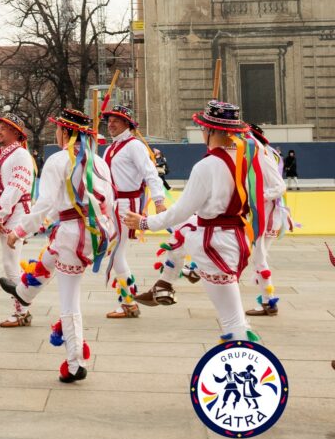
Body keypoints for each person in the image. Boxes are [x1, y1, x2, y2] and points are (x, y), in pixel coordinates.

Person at [126, 100, 261, 345]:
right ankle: (166, 282)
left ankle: (248, 368)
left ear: (210, 130)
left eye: (203, 128)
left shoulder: (207, 166)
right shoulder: (243, 157)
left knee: (232, 320)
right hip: (235, 237)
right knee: (233, 315)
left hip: (215, 243)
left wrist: (144, 223)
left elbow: (180, 210)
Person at [0, 108, 115, 383]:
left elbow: (46, 204)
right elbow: (107, 202)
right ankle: (25, 292)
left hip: (73, 233)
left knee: (69, 302)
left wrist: (19, 229)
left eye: (58, 129)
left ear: (66, 132)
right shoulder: (99, 162)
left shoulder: (57, 160)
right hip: (93, 232)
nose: (56, 134)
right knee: (51, 253)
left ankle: (75, 364)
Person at [101, 105, 167, 320]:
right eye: (109, 120)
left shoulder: (134, 146)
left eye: (116, 120)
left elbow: (150, 174)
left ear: (127, 124)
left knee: (117, 252)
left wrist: (158, 202)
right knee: (115, 251)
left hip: (126, 204)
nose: (111, 123)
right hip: (112, 203)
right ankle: (128, 299)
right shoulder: (110, 148)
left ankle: (129, 302)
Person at [0, 112, 36, 328]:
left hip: (17, 215)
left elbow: (16, 187)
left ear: (16, 132)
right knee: (10, 263)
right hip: (1, 214)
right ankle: (24, 305)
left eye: (4, 127)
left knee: (11, 263)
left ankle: (22, 311)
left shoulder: (21, 155)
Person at [244, 124, 289, 317]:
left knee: (259, 257)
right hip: (262, 214)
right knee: (258, 257)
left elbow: (280, 186)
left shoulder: (262, 156)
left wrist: (257, 197)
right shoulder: (258, 156)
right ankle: (267, 301)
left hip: (265, 216)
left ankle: (269, 303)